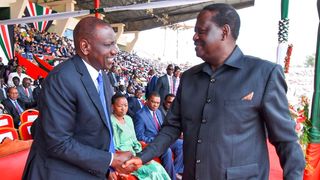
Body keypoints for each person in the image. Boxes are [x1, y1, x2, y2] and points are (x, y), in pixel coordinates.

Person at [124, 3, 305, 180]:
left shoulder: (263, 74)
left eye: (201, 31)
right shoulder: (188, 78)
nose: (194, 37)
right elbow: (171, 127)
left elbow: (286, 141)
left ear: (224, 32)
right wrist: (142, 157)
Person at [22, 17, 135, 180]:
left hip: (90, 169)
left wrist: (106, 167)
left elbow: (94, 131)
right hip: (60, 173)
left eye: (115, 43)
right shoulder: (61, 79)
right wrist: (110, 159)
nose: (115, 50)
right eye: (108, 44)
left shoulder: (102, 75)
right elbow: (58, 143)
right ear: (85, 46)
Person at [110, 93, 170, 179]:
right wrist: (131, 155)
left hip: (135, 152)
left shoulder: (128, 119)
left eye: (126, 105)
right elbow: (116, 146)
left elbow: (135, 139)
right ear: (113, 106)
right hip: (124, 157)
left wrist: (141, 155)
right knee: (153, 172)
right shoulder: (111, 121)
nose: (123, 109)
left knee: (158, 167)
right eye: (120, 106)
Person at [134, 92, 183, 180]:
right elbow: (139, 136)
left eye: (157, 103)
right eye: (153, 102)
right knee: (166, 149)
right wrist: (156, 140)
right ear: (147, 101)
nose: (155, 105)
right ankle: (171, 177)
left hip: (162, 139)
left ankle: (175, 172)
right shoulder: (140, 115)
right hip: (153, 142)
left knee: (180, 143)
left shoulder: (158, 112)